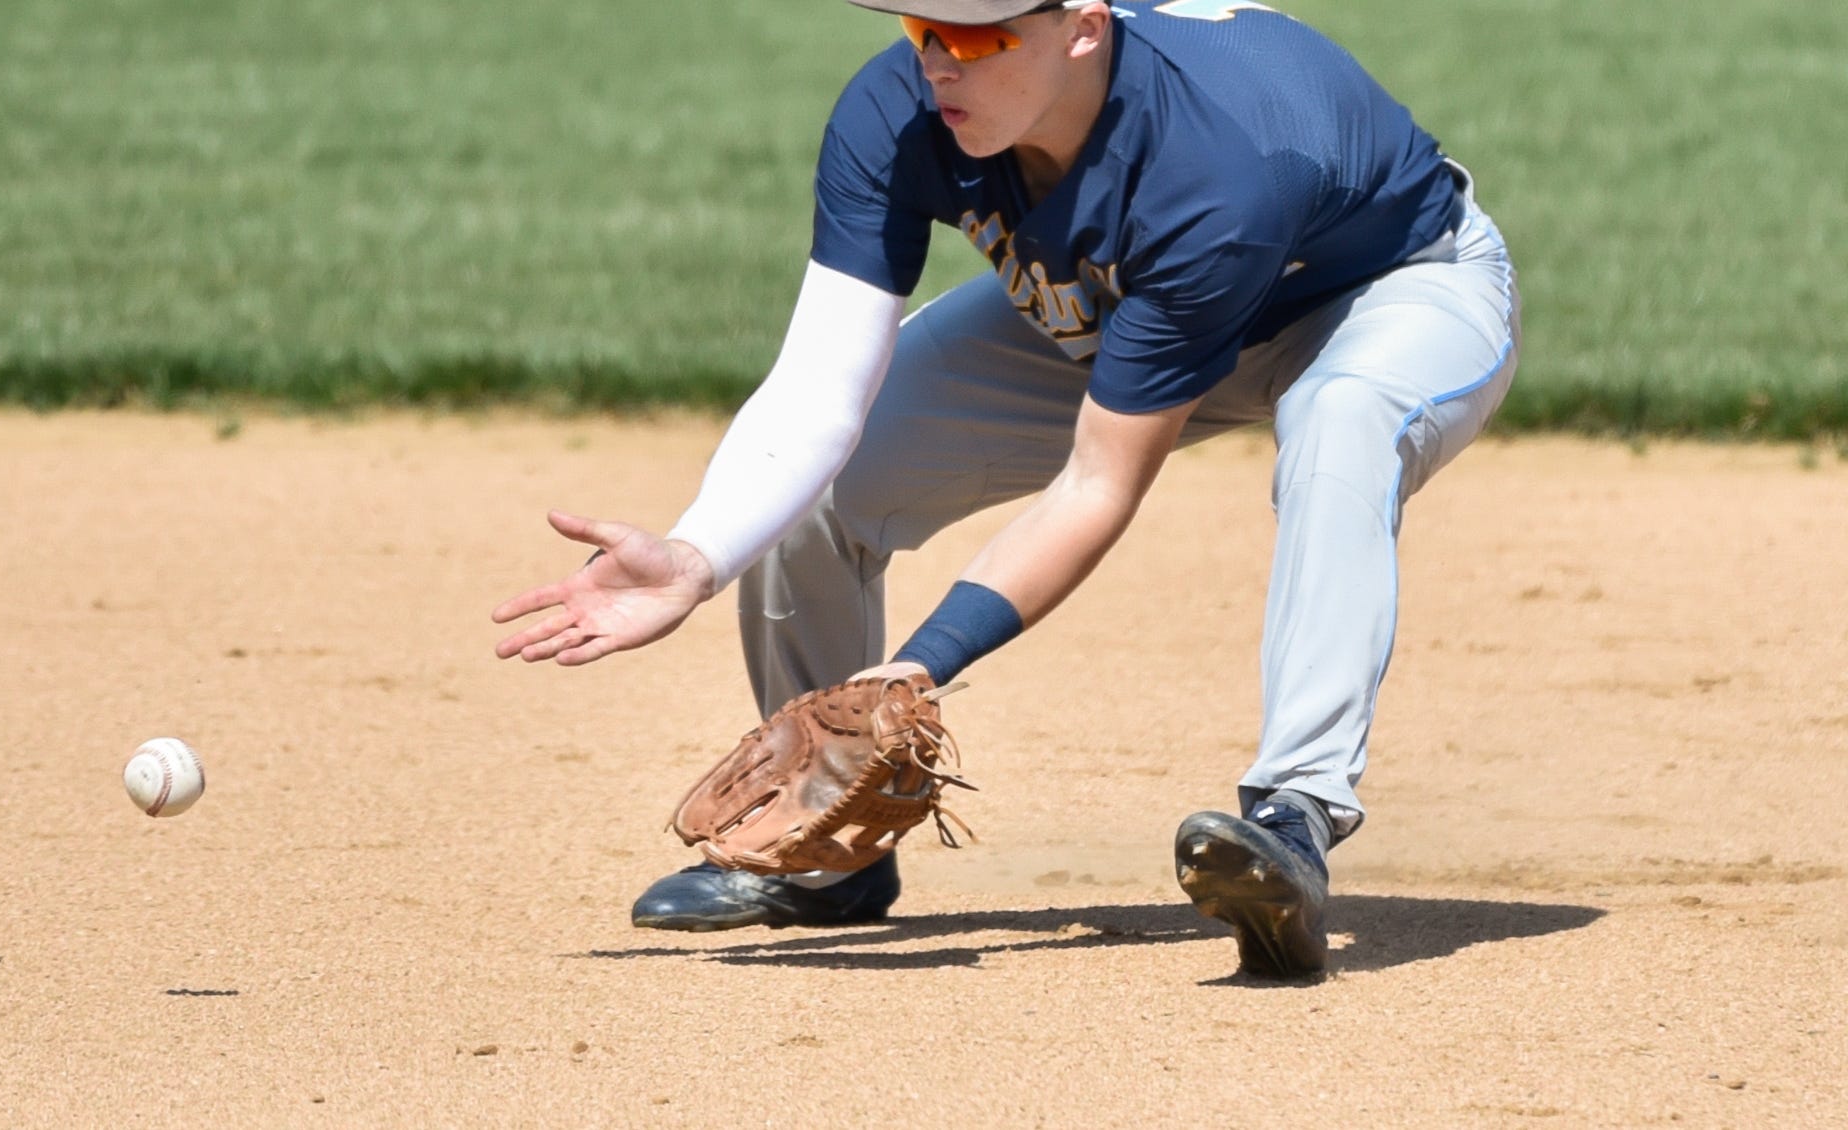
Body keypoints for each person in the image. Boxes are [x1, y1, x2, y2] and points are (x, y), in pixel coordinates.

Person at [493, 0, 1519, 978]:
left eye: (977, 36)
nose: (938, 58)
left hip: (1381, 292)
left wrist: (913, 672)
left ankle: (1292, 817)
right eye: (921, 26)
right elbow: (817, 391)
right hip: (1136, 298)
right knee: (810, 486)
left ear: (1079, 30)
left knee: (1338, 427)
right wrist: (697, 551)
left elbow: (1097, 482)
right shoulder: (896, 111)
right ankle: (828, 844)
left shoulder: (1216, 164)